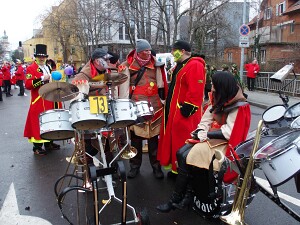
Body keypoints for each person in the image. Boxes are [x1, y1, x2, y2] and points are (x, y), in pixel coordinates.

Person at [156, 71, 251, 213]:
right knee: (180, 152)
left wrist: (205, 134)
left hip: (225, 143)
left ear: (221, 86)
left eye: (213, 84)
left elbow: (229, 132)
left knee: (187, 156)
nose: (211, 87)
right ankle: (187, 195)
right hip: (212, 138)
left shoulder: (239, 106)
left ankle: (176, 198)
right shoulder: (219, 96)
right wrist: (200, 130)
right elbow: (207, 118)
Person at [118, 39, 168, 179]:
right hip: (136, 106)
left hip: (155, 107)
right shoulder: (126, 66)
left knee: (154, 140)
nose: (148, 52)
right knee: (136, 139)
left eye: (149, 50)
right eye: (146, 50)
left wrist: (163, 102)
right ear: (139, 52)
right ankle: (135, 166)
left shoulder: (157, 64)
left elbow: (161, 85)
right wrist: (124, 107)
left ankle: (156, 167)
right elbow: (123, 88)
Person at [157, 40, 205, 179]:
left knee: (182, 141)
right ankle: (176, 169)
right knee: (175, 140)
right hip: (174, 111)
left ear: (182, 51)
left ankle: (183, 172)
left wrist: (186, 109)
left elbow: (195, 90)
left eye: (174, 50)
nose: (172, 53)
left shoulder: (194, 65)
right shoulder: (181, 64)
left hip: (184, 113)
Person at [24, 44, 61, 155]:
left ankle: (49, 143)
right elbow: (28, 85)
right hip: (39, 100)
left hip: (50, 99)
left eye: (43, 57)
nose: (41, 58)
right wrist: (41, 79)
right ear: (36, 57)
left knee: (51, 121)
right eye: (39, 56)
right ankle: (37, 147)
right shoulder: (31, 68)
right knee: (38, 122)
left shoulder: (48, 67)